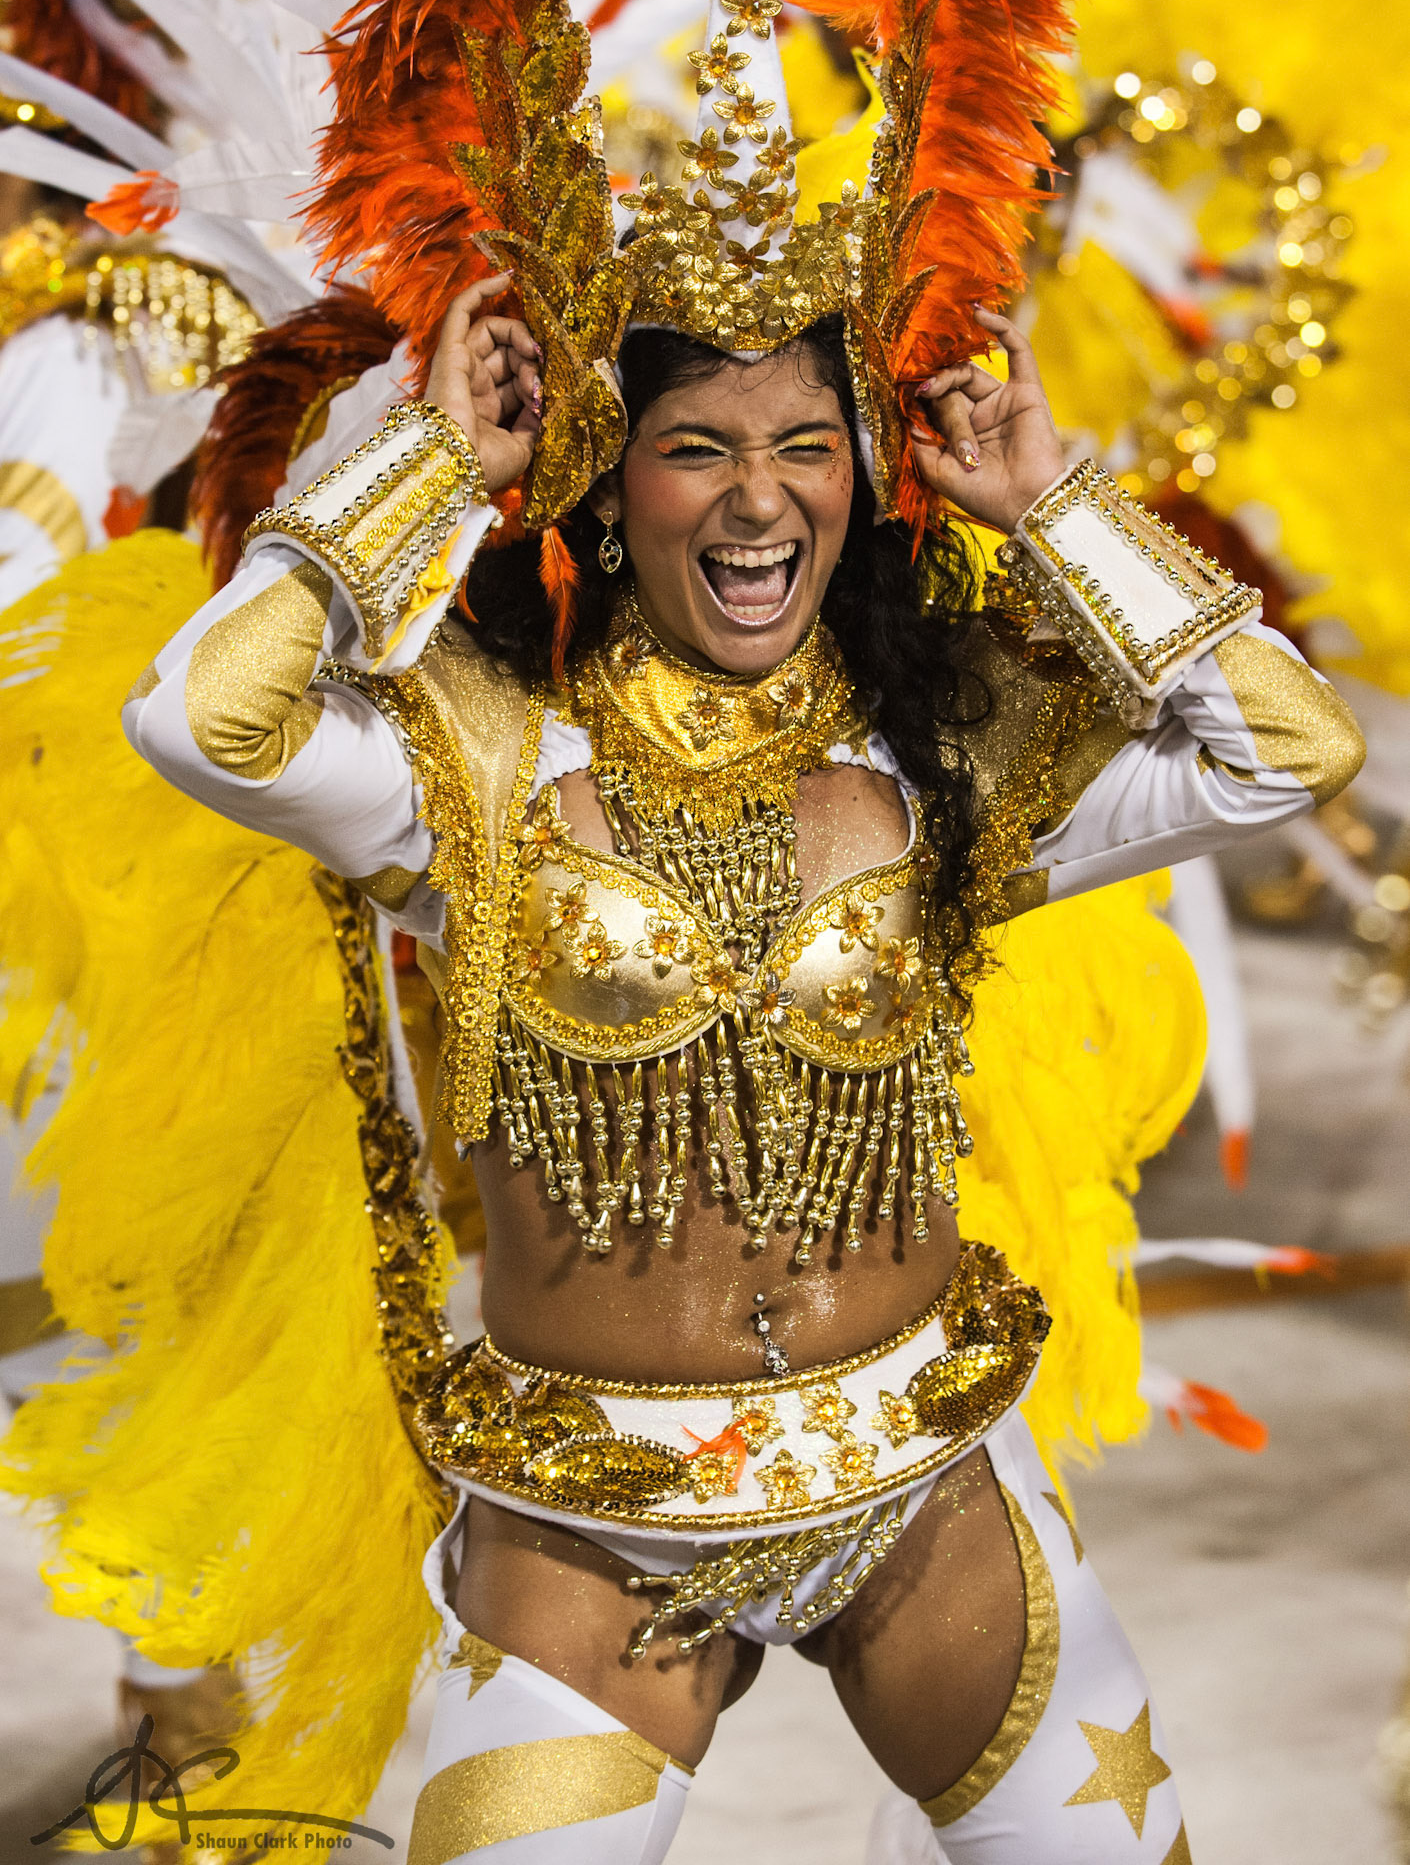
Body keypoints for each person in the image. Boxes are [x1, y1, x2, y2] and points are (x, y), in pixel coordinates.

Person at [122, 220, 1362, 1861]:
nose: (759, 498)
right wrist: (428, 459)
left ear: (862, 477)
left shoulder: (946, 750)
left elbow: (1288, 749)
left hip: (919, 1491)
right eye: (694, 448)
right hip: (591, 1527)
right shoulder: (478, 760)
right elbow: (198, 715)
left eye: (805, 445)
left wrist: (1048, 504)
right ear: (605, 484)